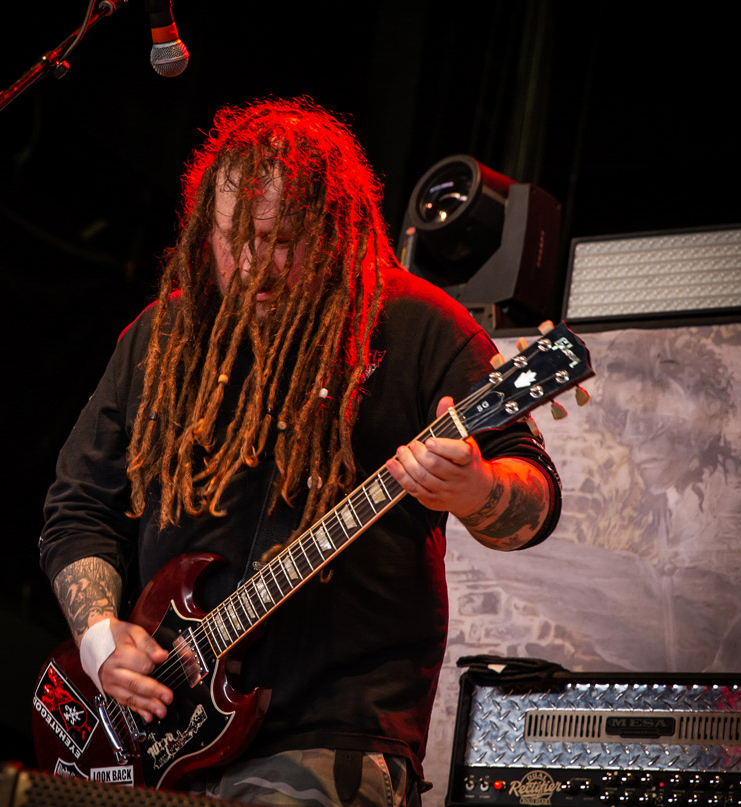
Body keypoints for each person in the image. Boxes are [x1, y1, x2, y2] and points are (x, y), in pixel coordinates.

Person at [39, 98, 561, 806]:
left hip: (331, 734)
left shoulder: (419, 328)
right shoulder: (161, 337)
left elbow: (532, 504)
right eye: (233, 239)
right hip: (152, 733)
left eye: (280, 239)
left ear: (334, 230)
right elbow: (77, 507)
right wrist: (100, 639)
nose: (255, 264)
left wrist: (475, 491)